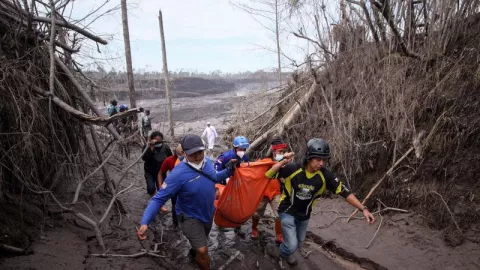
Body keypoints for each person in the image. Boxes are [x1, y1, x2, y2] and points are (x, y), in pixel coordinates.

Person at [265, 138, 376, 266]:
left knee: (299, 242)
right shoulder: (293, 168)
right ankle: (280, 253)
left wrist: (364, 209)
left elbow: (344, 192)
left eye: (324, 160)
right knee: (292, 245)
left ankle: (286, 251)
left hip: (304, 215)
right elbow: (269, 174)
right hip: (287, 211)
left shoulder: (325, 176)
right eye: (318, 160)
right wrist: (283, 160)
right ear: (309, 157)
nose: (322, 163)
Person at [137, 134, 235, 270]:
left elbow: (215, 177)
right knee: (203, 251)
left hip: (207, 212)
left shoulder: (207, 162)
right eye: (193, 153)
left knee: (200, 245)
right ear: (184, 153)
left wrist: (229, 170)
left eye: (200, 152)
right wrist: (145, 221)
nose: (197, 156)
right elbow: (158, 198)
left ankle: (193, 253)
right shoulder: (177, 174)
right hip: (189, 216)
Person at [251, 137, 287, 244]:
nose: (282, 153)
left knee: (279, 214)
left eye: (283, 152)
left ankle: (279, 235)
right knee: (257, 213)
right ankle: (254, 229)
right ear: (273, 151)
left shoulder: (284, 163)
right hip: (263, 192)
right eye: (280, 151)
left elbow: (284, 178)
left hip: (276, 192)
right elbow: (254, 172)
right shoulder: (264, 162)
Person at [157, 144, 184, 226]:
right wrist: (160, 186)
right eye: (179, 154)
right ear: (175, 152)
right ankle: (176, 224)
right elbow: (160, 173)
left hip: (186, 186)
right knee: (175, 205)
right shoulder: (169, 160)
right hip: (175, 187)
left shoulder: (190, 160)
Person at [141, 131, 172, 196]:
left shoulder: (166, 147)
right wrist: (151, 148)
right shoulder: (146, 147)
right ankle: (153, 195)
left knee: (162, 189)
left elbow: (171, 159)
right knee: (150, 189)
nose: (158, 143)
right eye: (156, 141)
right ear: (151, 140)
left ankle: (159, 202)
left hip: (162, 172)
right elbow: (144, 158)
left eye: (160, 141)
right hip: (150, 172)